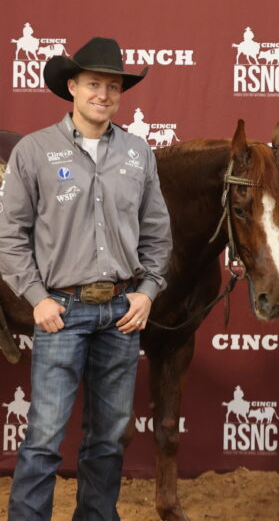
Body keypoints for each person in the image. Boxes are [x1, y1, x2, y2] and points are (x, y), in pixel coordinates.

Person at [0, 36, 172, 520]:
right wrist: (36, 297)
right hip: (61, 309)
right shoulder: (35, 151)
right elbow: (10, 235)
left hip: (121, 313)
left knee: (109, 438)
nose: (104, 94)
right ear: (72, 86)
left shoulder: (138, 153)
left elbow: (158, 234)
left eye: (113, 86)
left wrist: (147, 292)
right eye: (94, 83)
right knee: (44, 437)